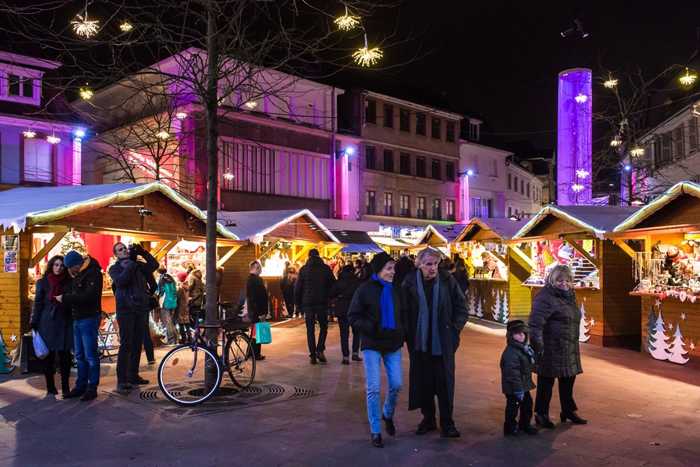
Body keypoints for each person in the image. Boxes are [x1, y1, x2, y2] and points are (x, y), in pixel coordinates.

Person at [402, 247, 468, 438]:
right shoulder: (409, 283)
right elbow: (404, 311)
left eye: (435, 264)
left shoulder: (448, 280)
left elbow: (461, 307)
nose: (433, 268)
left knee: (445, 384)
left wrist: (454, 330)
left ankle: (447, 423)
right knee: (424, 384)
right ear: (419, 264)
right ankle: (428, 419)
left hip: (443, 342)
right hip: (420, 344)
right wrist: (408, 334)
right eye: (428, 264)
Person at [348, 252, 405, 448]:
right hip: (372, 343)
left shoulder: (397, 290)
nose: (392, 272)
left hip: (393, 344)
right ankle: (375, 430)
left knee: (396, 384)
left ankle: (387, 413)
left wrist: (402, 333)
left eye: (393, 268)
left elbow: (403, 314)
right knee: (373, 387)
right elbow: (353, 316)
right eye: (389, 268)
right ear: (379, 270)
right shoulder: (364, 290)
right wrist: (370, 327)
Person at [528, 264, 587, 428]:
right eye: (560, 280)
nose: (564, 283)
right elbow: (534, 324)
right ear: (552, 280)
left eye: (567, 280)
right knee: (546, 381)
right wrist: (538, 346)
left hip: (568, 346)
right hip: (550, 347)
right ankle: (541, 414)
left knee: (568, 379)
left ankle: (568, 410)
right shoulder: (545, 298)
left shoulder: (569, 295)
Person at [109, 242, 159, 394]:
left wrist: (142, 252)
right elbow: (121, 281)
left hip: (140, 308)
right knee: (126, 344)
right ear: (116, 254)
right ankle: (122, 380)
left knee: (137, 343)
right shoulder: (115, 268)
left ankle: (133, 375)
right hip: (125, 310)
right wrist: (131, 264)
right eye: (120, 249)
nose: (124, 250)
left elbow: (153, 265)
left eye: (125, 248)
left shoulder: (137, 264)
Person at [60, 250, 103, 402]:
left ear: (76, 264)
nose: (69, 271)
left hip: (89, 317)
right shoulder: (78, 274)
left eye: (70, 267)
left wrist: (65, 298)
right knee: (79, 355)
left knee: (90, 355)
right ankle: (80, 386)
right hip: (78, 318)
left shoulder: (93, 273)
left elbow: (89, 296)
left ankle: (92, 387)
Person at [30, 255, 72, 398]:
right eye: (56, 264)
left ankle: (66, 387)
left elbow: (72, 301)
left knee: (65, 356)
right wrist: (34, 321)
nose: (58, 268)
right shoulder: (42, 282)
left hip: (64, 321)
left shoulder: (69, 282)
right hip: (46, 322)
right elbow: (38, 303)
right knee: (48, 357)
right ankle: (50, 387)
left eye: (61, 265)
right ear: (51, 266)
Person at [295, 249, 336, 364]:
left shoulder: (303, 270)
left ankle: (313, 355)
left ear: (308, 256)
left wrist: (298, 305)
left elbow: (297, 288)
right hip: (322, 303)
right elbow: (333, 284)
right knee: (323, 327)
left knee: (310, 330)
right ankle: (320, 349)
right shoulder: (326, 269)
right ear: (319, 256)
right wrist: (329, 297)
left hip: (307, 303)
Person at [500, 320, 538, 436]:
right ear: (511, 335)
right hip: (514, 387)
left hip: (523, 385)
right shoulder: (511, 353)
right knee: (513, 407)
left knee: (527, 405)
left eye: (523, 333)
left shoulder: (524, 349)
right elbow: (512, 374)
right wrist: (518, 389)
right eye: (518, 333)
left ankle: (524, 424)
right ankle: (510, 427)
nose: (521, 335)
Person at [332, 264, 362, 364]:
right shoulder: (357, 282)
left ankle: (345, 356)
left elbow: (332, 293)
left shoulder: (339, 281)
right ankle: (355, 353)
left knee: (344, 334)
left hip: (342, 310)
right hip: (355, 310)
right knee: (356, 332)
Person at [246, 260, 268, 361]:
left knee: (254, 333)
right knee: (257, 333)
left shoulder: (250, 279)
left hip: (253, 310)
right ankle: (256, 354)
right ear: (255, 268)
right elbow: (259, 297)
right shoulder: (256, 280)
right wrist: (261, 312)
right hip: (257, 311)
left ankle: (250, 353)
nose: (261, 269)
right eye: (259, 267)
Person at [157, 267, 178, 345]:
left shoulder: (161, 280)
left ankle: (171, 340)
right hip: (173, 302)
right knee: (172, 322)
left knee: (168, 322)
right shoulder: (171, 278)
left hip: (165, 302)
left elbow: (160, 292)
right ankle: (175, 339)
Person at [175, 271, 192, 343]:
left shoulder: (181, 288)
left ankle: (184, 338)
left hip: (181, 307)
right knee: (187, 324)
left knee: (181, 324)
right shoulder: (187, 286)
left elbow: (178, 297)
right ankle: (190, 338)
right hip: (186, 306)